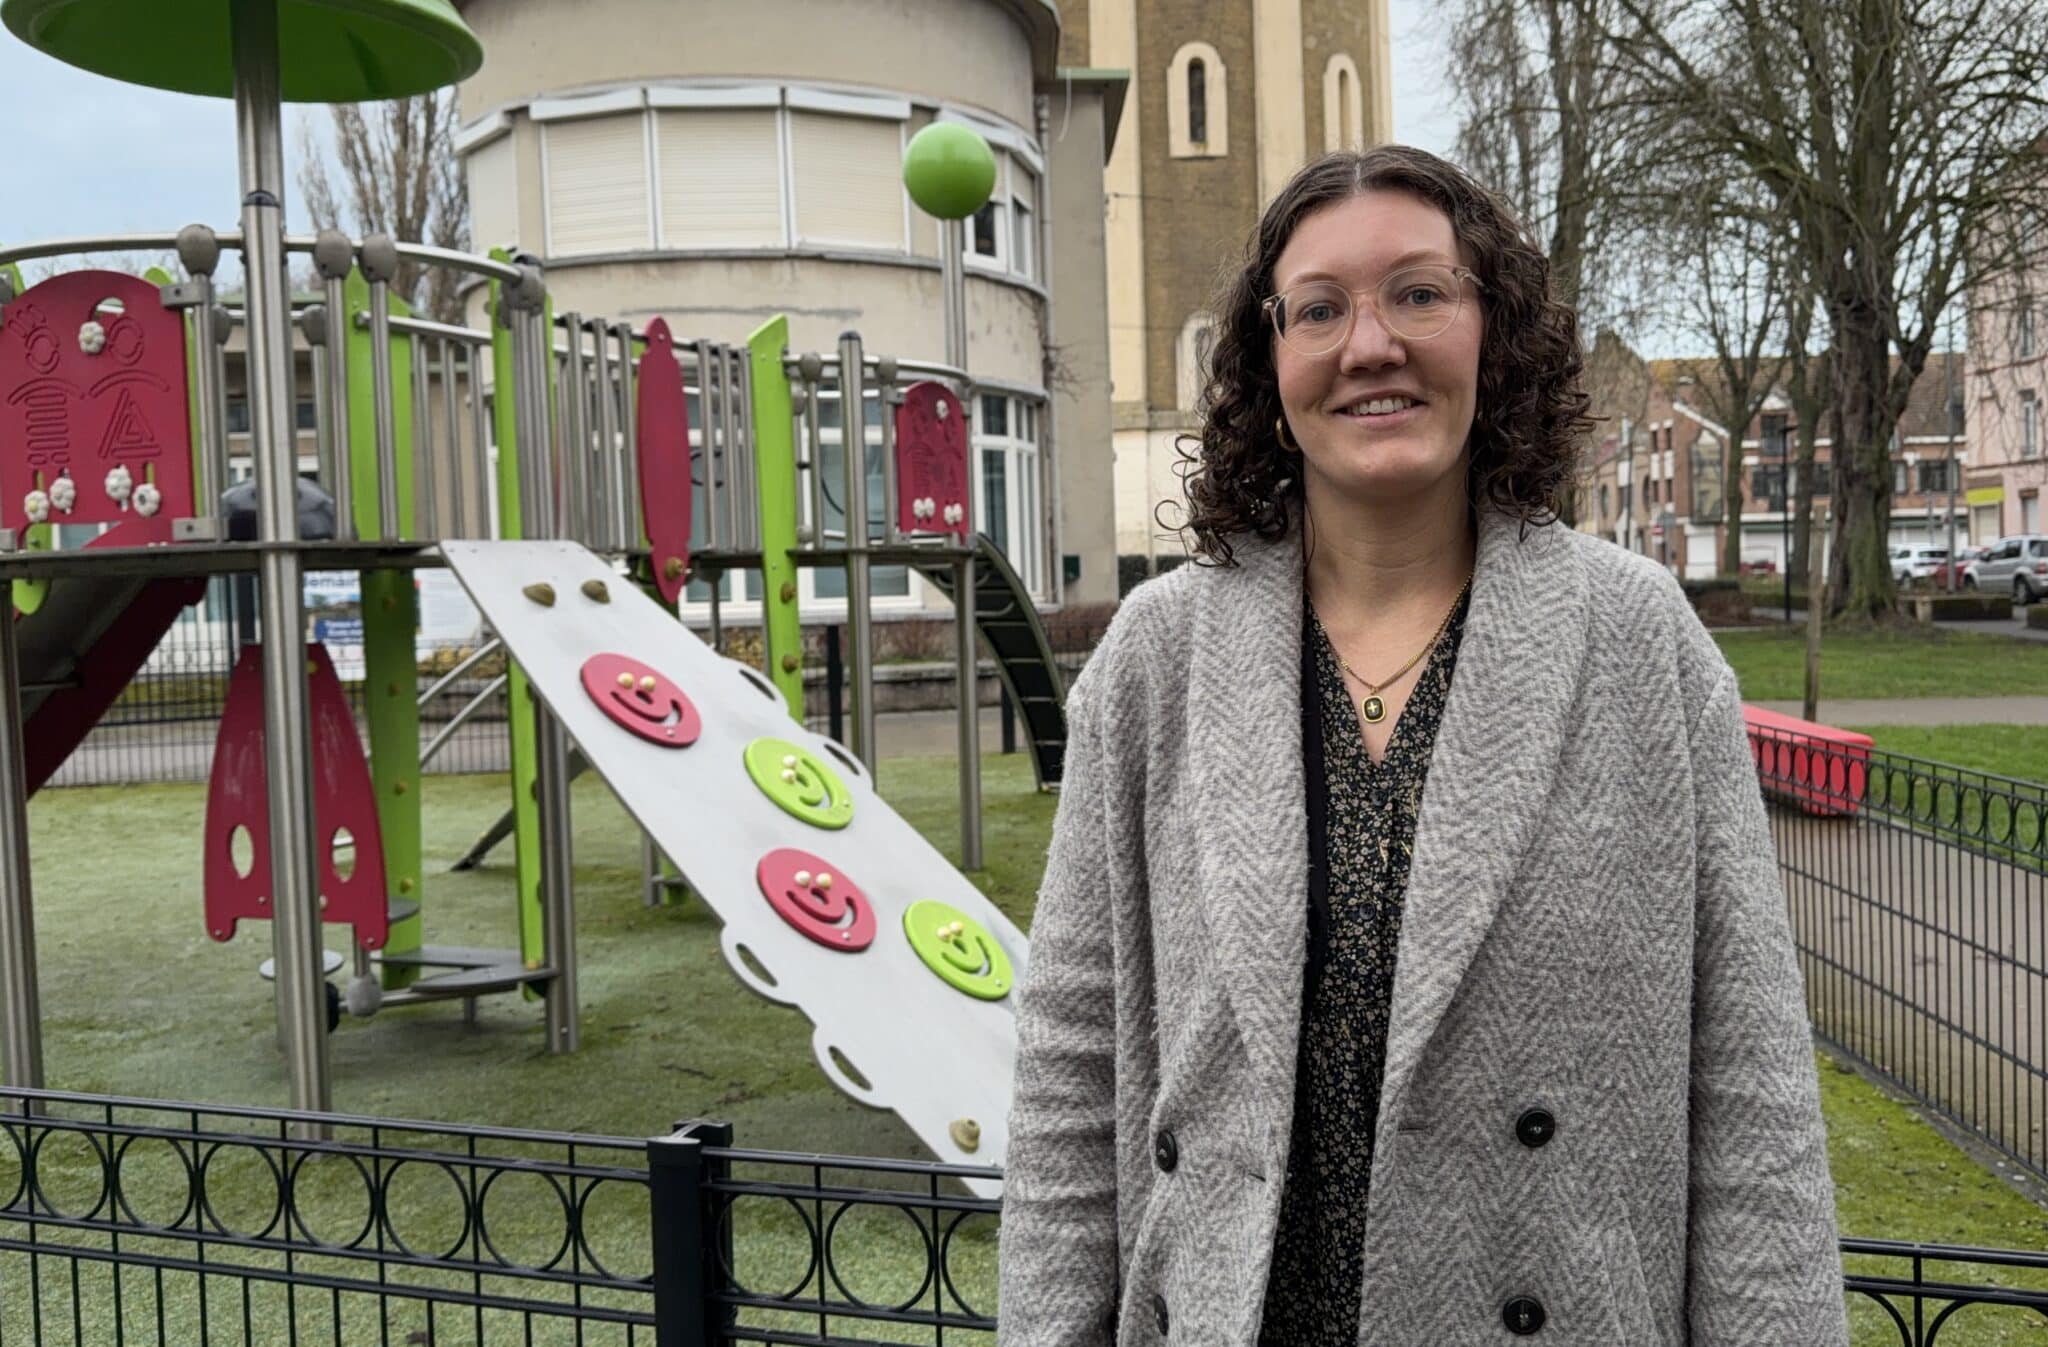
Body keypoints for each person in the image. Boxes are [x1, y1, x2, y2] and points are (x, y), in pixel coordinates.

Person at [996, 146, 1847, 1345]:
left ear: (1492, 334)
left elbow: (1750, 1085)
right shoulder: (1157, 657)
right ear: (1266, 361)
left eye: (1417, 293)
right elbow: (1070, 1070)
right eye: (1317, 310)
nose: (1369, 345)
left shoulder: (1636, 643)